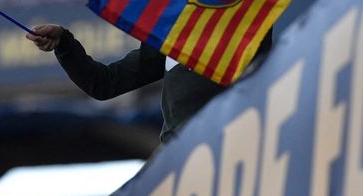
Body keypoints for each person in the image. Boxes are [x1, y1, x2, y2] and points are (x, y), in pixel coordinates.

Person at [26, 24, 273, 144]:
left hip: (226, 149)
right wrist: (65, 45)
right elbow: (103, 84)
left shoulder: (245, 25)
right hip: (176, 163)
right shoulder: (169, 38)